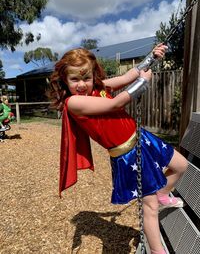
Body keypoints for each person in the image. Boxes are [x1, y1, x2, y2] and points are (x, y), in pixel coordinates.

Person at [50, 44, 188, 254]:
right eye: (74, 79)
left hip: (142, 138)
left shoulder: (98, 86)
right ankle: (158, 250)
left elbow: (127, 77)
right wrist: (143, 82)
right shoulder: (74, 102)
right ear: (65, 80)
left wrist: (152, 57)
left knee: (180, 165)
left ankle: (163, 194)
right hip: (128, 155)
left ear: (93, 75)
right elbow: (115, 104)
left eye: (86, 77)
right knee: (149, 207)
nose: (81, 84)